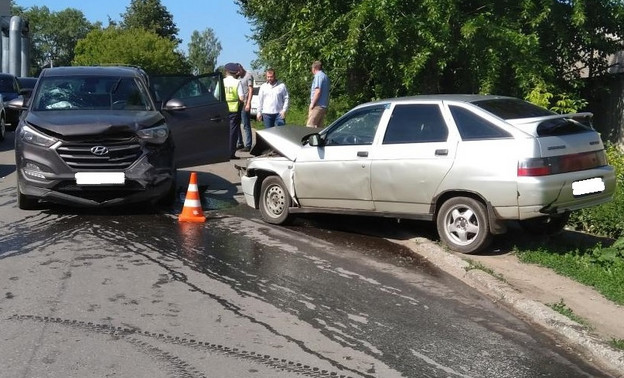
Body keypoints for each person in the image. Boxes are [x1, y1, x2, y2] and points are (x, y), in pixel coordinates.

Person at [223, 62, 244, 159]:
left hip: (223, 109)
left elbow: (216, 96)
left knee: (223, 130)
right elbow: (241, 97)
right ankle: (231, 153)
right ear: (235, 72)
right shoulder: (237, 82)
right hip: (234, 109)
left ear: (226, 71)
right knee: (233, 132)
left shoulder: (222, 82)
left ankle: (221, 151)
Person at [306, 60, 330, 128]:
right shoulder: (325, 77)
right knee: (319, 129)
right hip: (323, 106)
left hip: (317, 106)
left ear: (314, 68)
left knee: (310, 127)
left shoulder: (318, 76)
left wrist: (312, 104)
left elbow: (317, 91)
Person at [236, 63, 254, 151]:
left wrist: (248, 103)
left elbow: (251, 90)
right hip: (238, 104)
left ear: (242, 68)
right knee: (237, 123)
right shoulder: (238, 77)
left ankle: (248, 144)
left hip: (245, 103)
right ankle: (240, 143)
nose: (238, 72)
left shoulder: (248, 76)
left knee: (246, 124)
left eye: (238, 70)